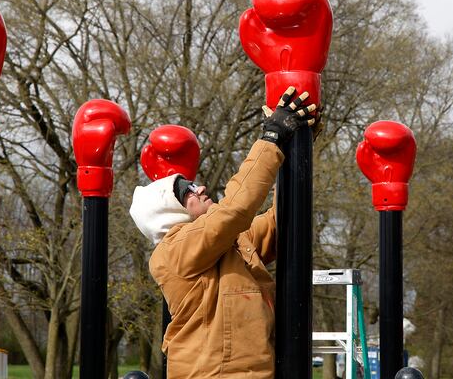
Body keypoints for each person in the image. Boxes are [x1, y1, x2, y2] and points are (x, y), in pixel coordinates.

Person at [129, 87, 316, 378]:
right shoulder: (174, 251)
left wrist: (297, 150)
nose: (200, 187)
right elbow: (235, 209)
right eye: (187, 190)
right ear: (169, 210)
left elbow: (284, 223)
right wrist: (272, 138)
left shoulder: (229, 244)